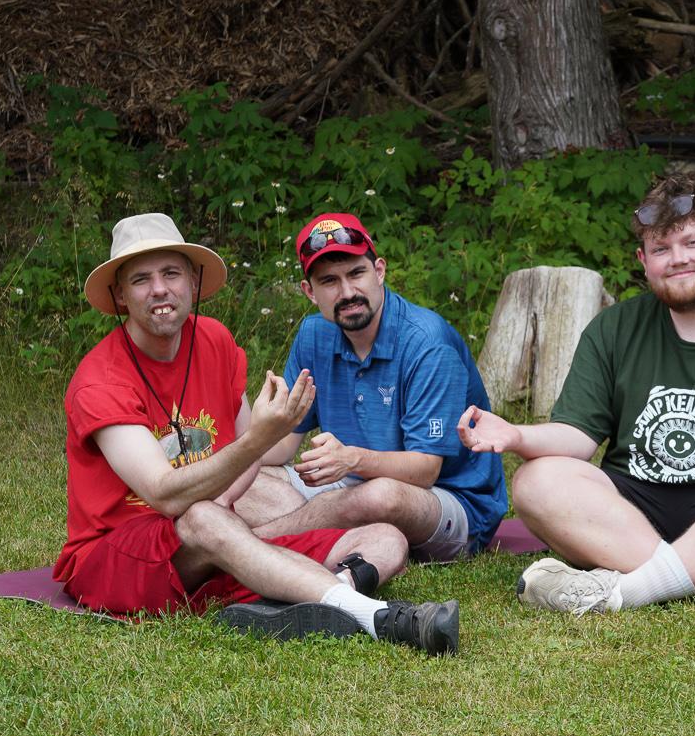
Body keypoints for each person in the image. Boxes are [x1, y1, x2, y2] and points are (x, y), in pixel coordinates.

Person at [53, 212, 458, 654]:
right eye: (140, 280)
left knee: (385, 537)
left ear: (192, 280)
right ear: (120, 297)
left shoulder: (213, 340)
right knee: (202, 516)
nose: (159, 290)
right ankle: (375, 616)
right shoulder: (101, 380)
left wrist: (233, 508)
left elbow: (244, 463)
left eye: (171, 273)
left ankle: (284, 599)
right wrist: (257, 445)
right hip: (119, 554)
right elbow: (166, 496)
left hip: (208, 538)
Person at [458, 174, 695, 613]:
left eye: (691, 243)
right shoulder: (614, 328)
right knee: (534, 481)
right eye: (661, 249)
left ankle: (626, 589)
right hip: (631, 511)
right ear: (644, 260)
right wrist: (516, 435)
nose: (677, 260)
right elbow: (576, 438)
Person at [229, 211, 508, 561]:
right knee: (239, 480)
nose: (347, 292)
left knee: (380, 497)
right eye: (329, 281)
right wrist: (241, 446)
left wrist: (352, 459)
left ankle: (239, 552)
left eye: (356, 273)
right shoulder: (314, 335)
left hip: (446, 500)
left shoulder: (428, 343)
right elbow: (283, 449)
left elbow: (425, 470)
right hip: (348, 488)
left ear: (379, 271)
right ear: (309, 292)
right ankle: (311, 532)